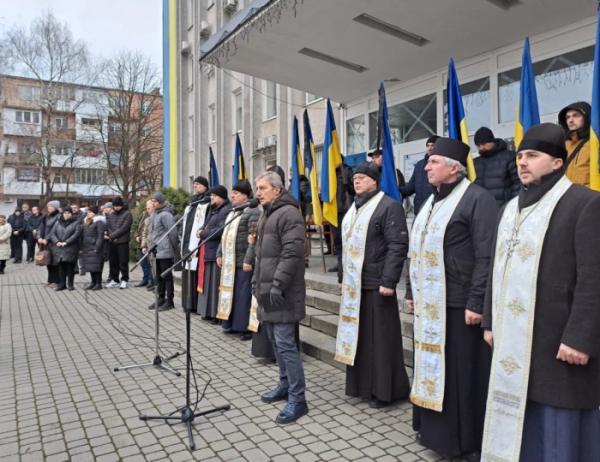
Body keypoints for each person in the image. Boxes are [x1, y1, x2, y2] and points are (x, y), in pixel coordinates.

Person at [481, 123, 600, 462]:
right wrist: (490, 321)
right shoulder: (509, 210)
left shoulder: (586, 204)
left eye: (532, 156)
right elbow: (495, 269)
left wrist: (581, 338)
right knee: (524, 425)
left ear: (558, 162)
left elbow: (594, 278)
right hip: (514, 341)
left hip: (559, 342)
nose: (522, 163)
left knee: (559, 434)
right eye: (519, 156)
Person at [407, 137, 498, 460]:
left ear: (454, 168)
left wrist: (477, 302)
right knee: (432, 367)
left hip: (460, 304)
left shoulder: (477, 199)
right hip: (431, 302)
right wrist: (410, 291)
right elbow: (416, 250)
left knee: (460, 376)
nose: (426, 167)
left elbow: (486, 255)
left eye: (433, 162)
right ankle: (432, 431)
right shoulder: (432, 201)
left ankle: (463, 443)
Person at [335, 162, 410, 408]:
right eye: (355, 178)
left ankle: (386, 391)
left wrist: (389, 281)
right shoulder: (353, 209)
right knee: (361, 338)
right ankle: (362, 386)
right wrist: (342, 278)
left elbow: (397, 246)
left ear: (375, 181)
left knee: (381, 339)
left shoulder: (389, 206)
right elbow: (344, 247)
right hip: (355, 285)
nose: (357, 181)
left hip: (377, 284)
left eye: (362, 178)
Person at [253, 171, 308, 424]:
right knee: (276, 342)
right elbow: (260, 255)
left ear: (276, 189)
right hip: (267, 289)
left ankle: (298, 399)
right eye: (257, 188)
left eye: (262, 188)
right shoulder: (268, 213)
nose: (258, 192)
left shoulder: (289, 213)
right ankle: (284, 385)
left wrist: (277, 284)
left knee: (286, 345)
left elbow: (292, 252)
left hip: (283, 290)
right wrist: (257, 284)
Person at [216, 180, 260, 340]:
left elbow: (254, 237)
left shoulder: (253, 211)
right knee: (233, 294)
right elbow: (224, 234)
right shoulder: (234, 211)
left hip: (243, 261)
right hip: (230, 262)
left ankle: (245, 327)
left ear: (245, 195)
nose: (232, 196)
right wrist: (219, 253)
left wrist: (249, 259)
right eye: (232, 192)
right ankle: (231, 324)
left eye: (236, 193)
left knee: (243, 296)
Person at [197, 185, 231, 320]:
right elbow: (206, 225)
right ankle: (207, 312)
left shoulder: (226, 210)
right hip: (208, 250)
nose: (211, 198)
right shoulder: (214, 210)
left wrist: (203, 233)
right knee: (208, 284)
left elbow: (220, 230)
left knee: (214, 285)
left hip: (216, 251)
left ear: (221, 197)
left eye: (214, 196)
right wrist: (200, 230)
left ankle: (214, 314)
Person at [180, 176, 210, 311]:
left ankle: (194, 304)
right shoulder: (193, 202)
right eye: (194, 184)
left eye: (198, 184)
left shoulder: (206, 202)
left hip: (198, 243)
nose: (195, 186)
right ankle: (187, 303)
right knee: (187, 271)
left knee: (195, 272)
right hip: (188, 241)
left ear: (205, 186)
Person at [473, 126, 520, 206]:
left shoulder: (509, 157)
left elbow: (517, 185)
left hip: (504, 209)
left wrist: (511, 208)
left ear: (492, 141)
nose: (481, 148)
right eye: (478, 145)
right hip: (482, 211)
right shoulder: (475, 163)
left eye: (483, 144)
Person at [148, 193, 179, 310]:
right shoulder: (154, 214)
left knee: (166, 277)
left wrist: (174, 247)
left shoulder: (166, 215)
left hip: (165, 251)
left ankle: (170, 301)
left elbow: (173, 232)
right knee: (158, 277)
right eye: (152, 201)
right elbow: (152, 233)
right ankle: (160, 298)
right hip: (156, 251)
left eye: (155, 201)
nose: (153, 203)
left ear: (161, 202)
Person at [400, 135, 438, 215]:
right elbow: (410, 188)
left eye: (433, 145)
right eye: (428, 145)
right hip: (419, 213)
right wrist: (394, 189)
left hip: (435, 212)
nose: (429, 148)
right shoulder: (419, 165)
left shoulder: (444, 165)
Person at [558, 101, 591, 188]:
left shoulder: (595, 143)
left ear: (586, 118)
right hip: (566, 197)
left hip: (590, 198)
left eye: (576, 115)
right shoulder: (563, 144)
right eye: (568, 117)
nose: (571, 120)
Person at [48, 207, 82, 291]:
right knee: (61, 267)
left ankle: (70, 284)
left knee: (70, 267)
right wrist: (57, 242)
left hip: (71, 248)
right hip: (59, 248)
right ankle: (62, 284)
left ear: (71, 214)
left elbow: (76, 234)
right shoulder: (57, 222)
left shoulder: (76, 222)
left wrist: (66, 242)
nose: (66, 214)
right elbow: (52, 234)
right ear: (62, 214)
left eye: (68, 213)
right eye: (65, 213)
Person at [105, 196, 132, 289]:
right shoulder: (111, 215)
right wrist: (111, 236)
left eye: (118, 206)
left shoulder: (127, 214)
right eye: (114, 206)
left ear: (121, 205)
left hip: (123, 242)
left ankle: (124, 279)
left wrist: (112, 236)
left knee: (123, 262)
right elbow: (109, 226)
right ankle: (114, 279)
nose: (116, 208)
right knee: (113, 262)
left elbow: (124, 228)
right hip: (112, 242)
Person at [79, 206, 106, 290]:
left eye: (90, 212)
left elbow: (100, 236)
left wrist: (97, 247)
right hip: (87, 247)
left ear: (94, 213)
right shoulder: (86, 221)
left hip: (95, 247)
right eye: (88, 212)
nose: (88, 213)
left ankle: (98, 283)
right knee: (90, 266)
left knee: (97, 266)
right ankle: (93, 282)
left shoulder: (99, 222)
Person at [39, 201, 61, 287]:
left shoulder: (58, 216)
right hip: (45, 242)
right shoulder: (46, 216)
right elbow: (41, 227)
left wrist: (47, 239)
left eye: (50, 206)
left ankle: (57, 281)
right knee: (48, 261)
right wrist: (40, 237)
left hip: (54, 242)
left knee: (55, 263)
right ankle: (50, 280)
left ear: (55, 207)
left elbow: (54, 229)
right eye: (48, 206)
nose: (48, 208)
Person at [134, 200, 155, 289]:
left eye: (149, 208)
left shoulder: (153, 217)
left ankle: (151, 280)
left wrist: (145, 244)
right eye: (146, 207)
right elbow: (138, 227)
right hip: (141, 242)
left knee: (149, 264)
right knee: (143, 264)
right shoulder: (143, 214)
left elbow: (148, 233)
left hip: (148, 243)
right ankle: (145, 279)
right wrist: (136, 235)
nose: (147, 209)